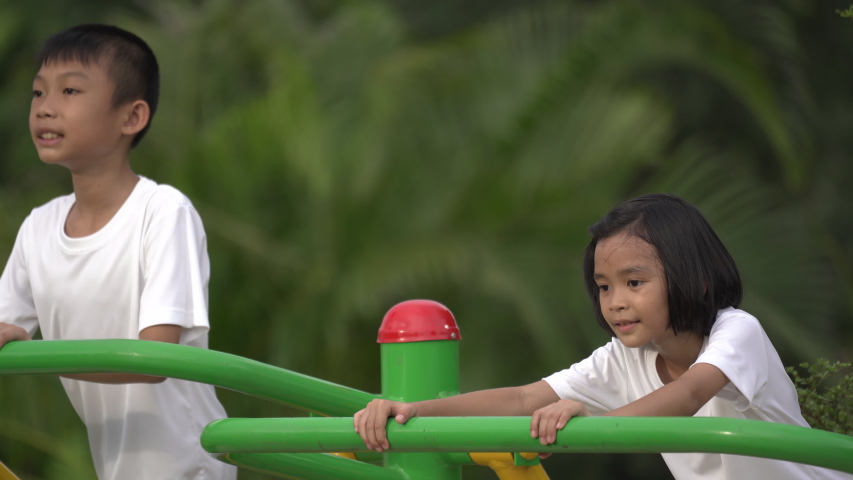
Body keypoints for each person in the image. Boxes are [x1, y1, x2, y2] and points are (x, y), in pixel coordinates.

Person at [354, 193, 851, 479]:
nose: (615, 301)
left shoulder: (736, 331)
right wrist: (413, 409)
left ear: (693, 278)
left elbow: (687, 395)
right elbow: (525, 397)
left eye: (634, 283)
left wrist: (588, 418)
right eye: (604, 286)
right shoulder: (623, 358)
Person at [0, 25, 236, 480]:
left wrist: (40, 354)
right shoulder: (39, 227)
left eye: (69, 90)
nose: (45, 108)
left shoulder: (163, 212)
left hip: (190, 465)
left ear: (131, 117)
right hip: (115, 467)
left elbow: (154, 359)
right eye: (37, 93)